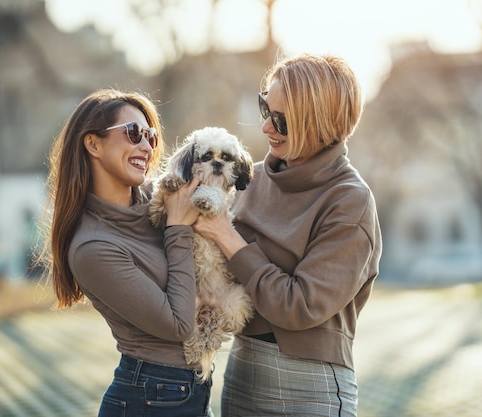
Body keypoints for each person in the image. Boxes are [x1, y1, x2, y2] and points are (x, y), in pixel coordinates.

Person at [194, 54, 383, 416]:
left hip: (309, 386)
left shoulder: (349, 201)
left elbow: (300, 306)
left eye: (280, 120)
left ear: (319, 124)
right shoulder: (251, 178)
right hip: (243, 371)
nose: (266, 127)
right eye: (266, 107)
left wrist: (228, 237)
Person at [37, 89, 213, 417]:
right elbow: (178, 326)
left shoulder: (158, 200)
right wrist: (177, 229)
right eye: (133, 134)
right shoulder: (92, 247)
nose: (145, 147)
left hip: (193, 389)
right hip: (149, 398)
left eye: (151, 136)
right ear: (93, 144)